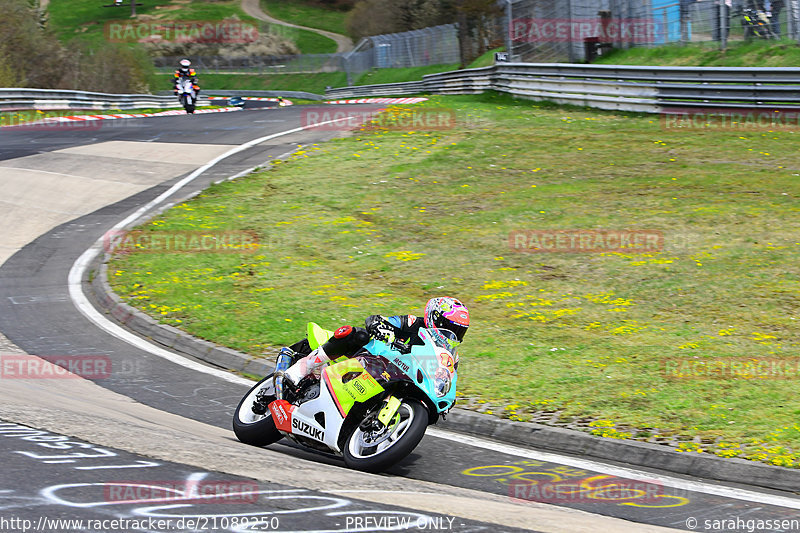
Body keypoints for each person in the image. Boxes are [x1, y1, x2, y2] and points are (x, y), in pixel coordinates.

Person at [275, 297, 470, 393]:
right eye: (450, 327)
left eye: (459, 330)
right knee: (357, 334)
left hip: (397, 380)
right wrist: (383, 330)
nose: (454, 334)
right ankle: (302, 369)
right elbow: (377, 319)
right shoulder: (413, 322)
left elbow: (445, 377)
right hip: (372, 358)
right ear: (434, 317)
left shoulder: (450, 356)